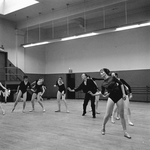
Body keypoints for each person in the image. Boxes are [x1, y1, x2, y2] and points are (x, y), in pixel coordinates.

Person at [88, 68, 131, 139]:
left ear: (105, 72)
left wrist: (123, 94)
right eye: (100, 73)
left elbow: (121, 84)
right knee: (107, 114)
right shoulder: (103, 84)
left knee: (122, 114)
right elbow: (102, 93)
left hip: (119, 96)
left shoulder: (113, 78)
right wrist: (93, 94)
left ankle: (125, 132)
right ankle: (103, 127)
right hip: (111, 97)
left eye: (102, 72)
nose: (101, 74)